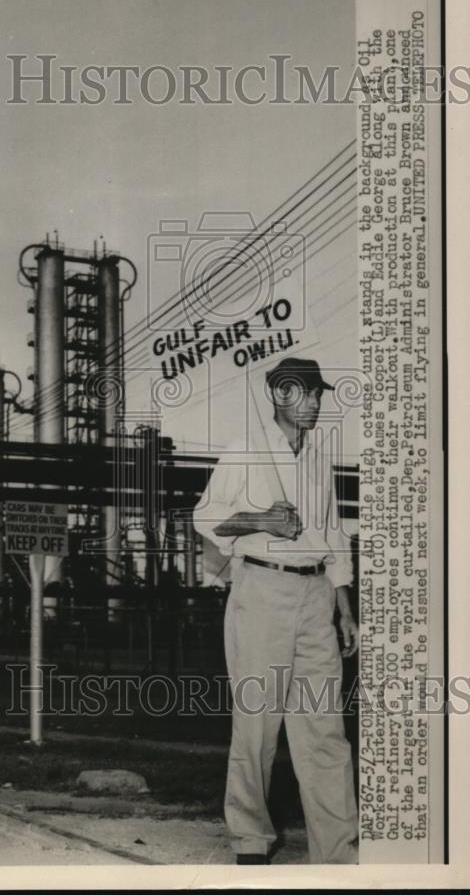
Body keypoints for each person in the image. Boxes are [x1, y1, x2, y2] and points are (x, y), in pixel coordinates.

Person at [193, 356, 359, 865]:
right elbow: (206, 518)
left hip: (314, 599)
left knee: (324, 729)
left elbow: (333, 539)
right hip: (261, 591)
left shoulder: (317, 457)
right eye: (307, 394)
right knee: (258, 724)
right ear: (281, 395)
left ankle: (337, 853)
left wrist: (345, 608)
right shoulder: (245, 450)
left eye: (318, 394)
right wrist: (261, 519)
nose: (315, 403)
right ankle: (250, 841)